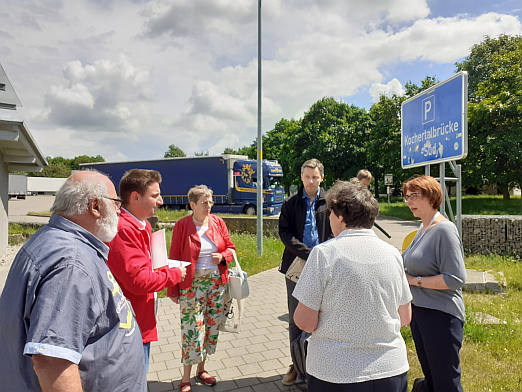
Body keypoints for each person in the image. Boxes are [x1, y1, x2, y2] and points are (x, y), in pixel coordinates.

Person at [0, 171, 147, 392]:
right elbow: (52, 362)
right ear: (95, 206)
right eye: (116, 202)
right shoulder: (72, 264)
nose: (119, 210)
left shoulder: (57, 241)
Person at [293, 179, 412, 392]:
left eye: (329, 213)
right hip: (390, 370)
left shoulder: (323, 254)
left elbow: (304, 321)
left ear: (340, 216)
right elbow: (405, 316)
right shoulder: (393, 253)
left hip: (336, 372)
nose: (328, 218)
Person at [107, 169, 186, 372]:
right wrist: (175, 274)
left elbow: (144, 266)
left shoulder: (141, 225)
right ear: (135, 197)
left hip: (140, 317)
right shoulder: (123, 229)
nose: (160, 201)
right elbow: (139, 281)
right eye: (154, 195)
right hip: (129, 325)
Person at [167, 185, 236, 392]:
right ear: (192, 204)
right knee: (191, 330)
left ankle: (202, 370)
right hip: (191, 285)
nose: (209, 206)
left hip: (216, 284)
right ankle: (185, 377)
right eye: (205, 202)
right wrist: (172, 289)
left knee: (211, 327)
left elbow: (231, 248)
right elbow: (174, 257)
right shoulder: (182, 226)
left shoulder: (218, 222)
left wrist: (223, 257)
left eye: (210, 201)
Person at [401, 175, 466, 392]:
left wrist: (414, 281)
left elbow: (455, 278)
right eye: (407, 196)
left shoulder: (444, 230)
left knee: (446, 382)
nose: (409, 201)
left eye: (414, 196)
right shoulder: (422, 227)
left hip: (441, 317)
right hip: (420, 313)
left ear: (432, 197)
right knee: (432, 378)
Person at [278, 158, 333, 385]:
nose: (311, 181)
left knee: (325, 315)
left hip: (327, 266)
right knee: (295, 317)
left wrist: (323, 255)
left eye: (315, 176)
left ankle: (321, 364)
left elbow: (336, 231)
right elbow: (285, 233)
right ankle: (298, 366)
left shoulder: (331, 201)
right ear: (301, 177)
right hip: (297, 266)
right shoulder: (290, 204)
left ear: (321, 177)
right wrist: (308, 254)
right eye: (307, 176)